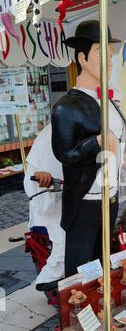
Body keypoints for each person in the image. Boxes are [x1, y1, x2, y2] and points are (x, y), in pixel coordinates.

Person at [51, 20, 126, 278]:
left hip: (110, 197)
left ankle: (99, 306)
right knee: (80, 268)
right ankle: (78, 312)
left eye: (111, 55)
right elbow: (65, 153)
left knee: (102, 260)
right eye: (101, 53)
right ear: (82, 58)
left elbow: (119, 151)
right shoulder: (66, 107)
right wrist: (97, 143)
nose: (110, 61)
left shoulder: (110, 104)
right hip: (85, 201)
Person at [23, 124, 65, 290]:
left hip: (76, 201)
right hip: (51, 208)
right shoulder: (46, 142)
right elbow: (30, 180)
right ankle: (48, 277)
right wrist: (40, 176)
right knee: (63, 241)